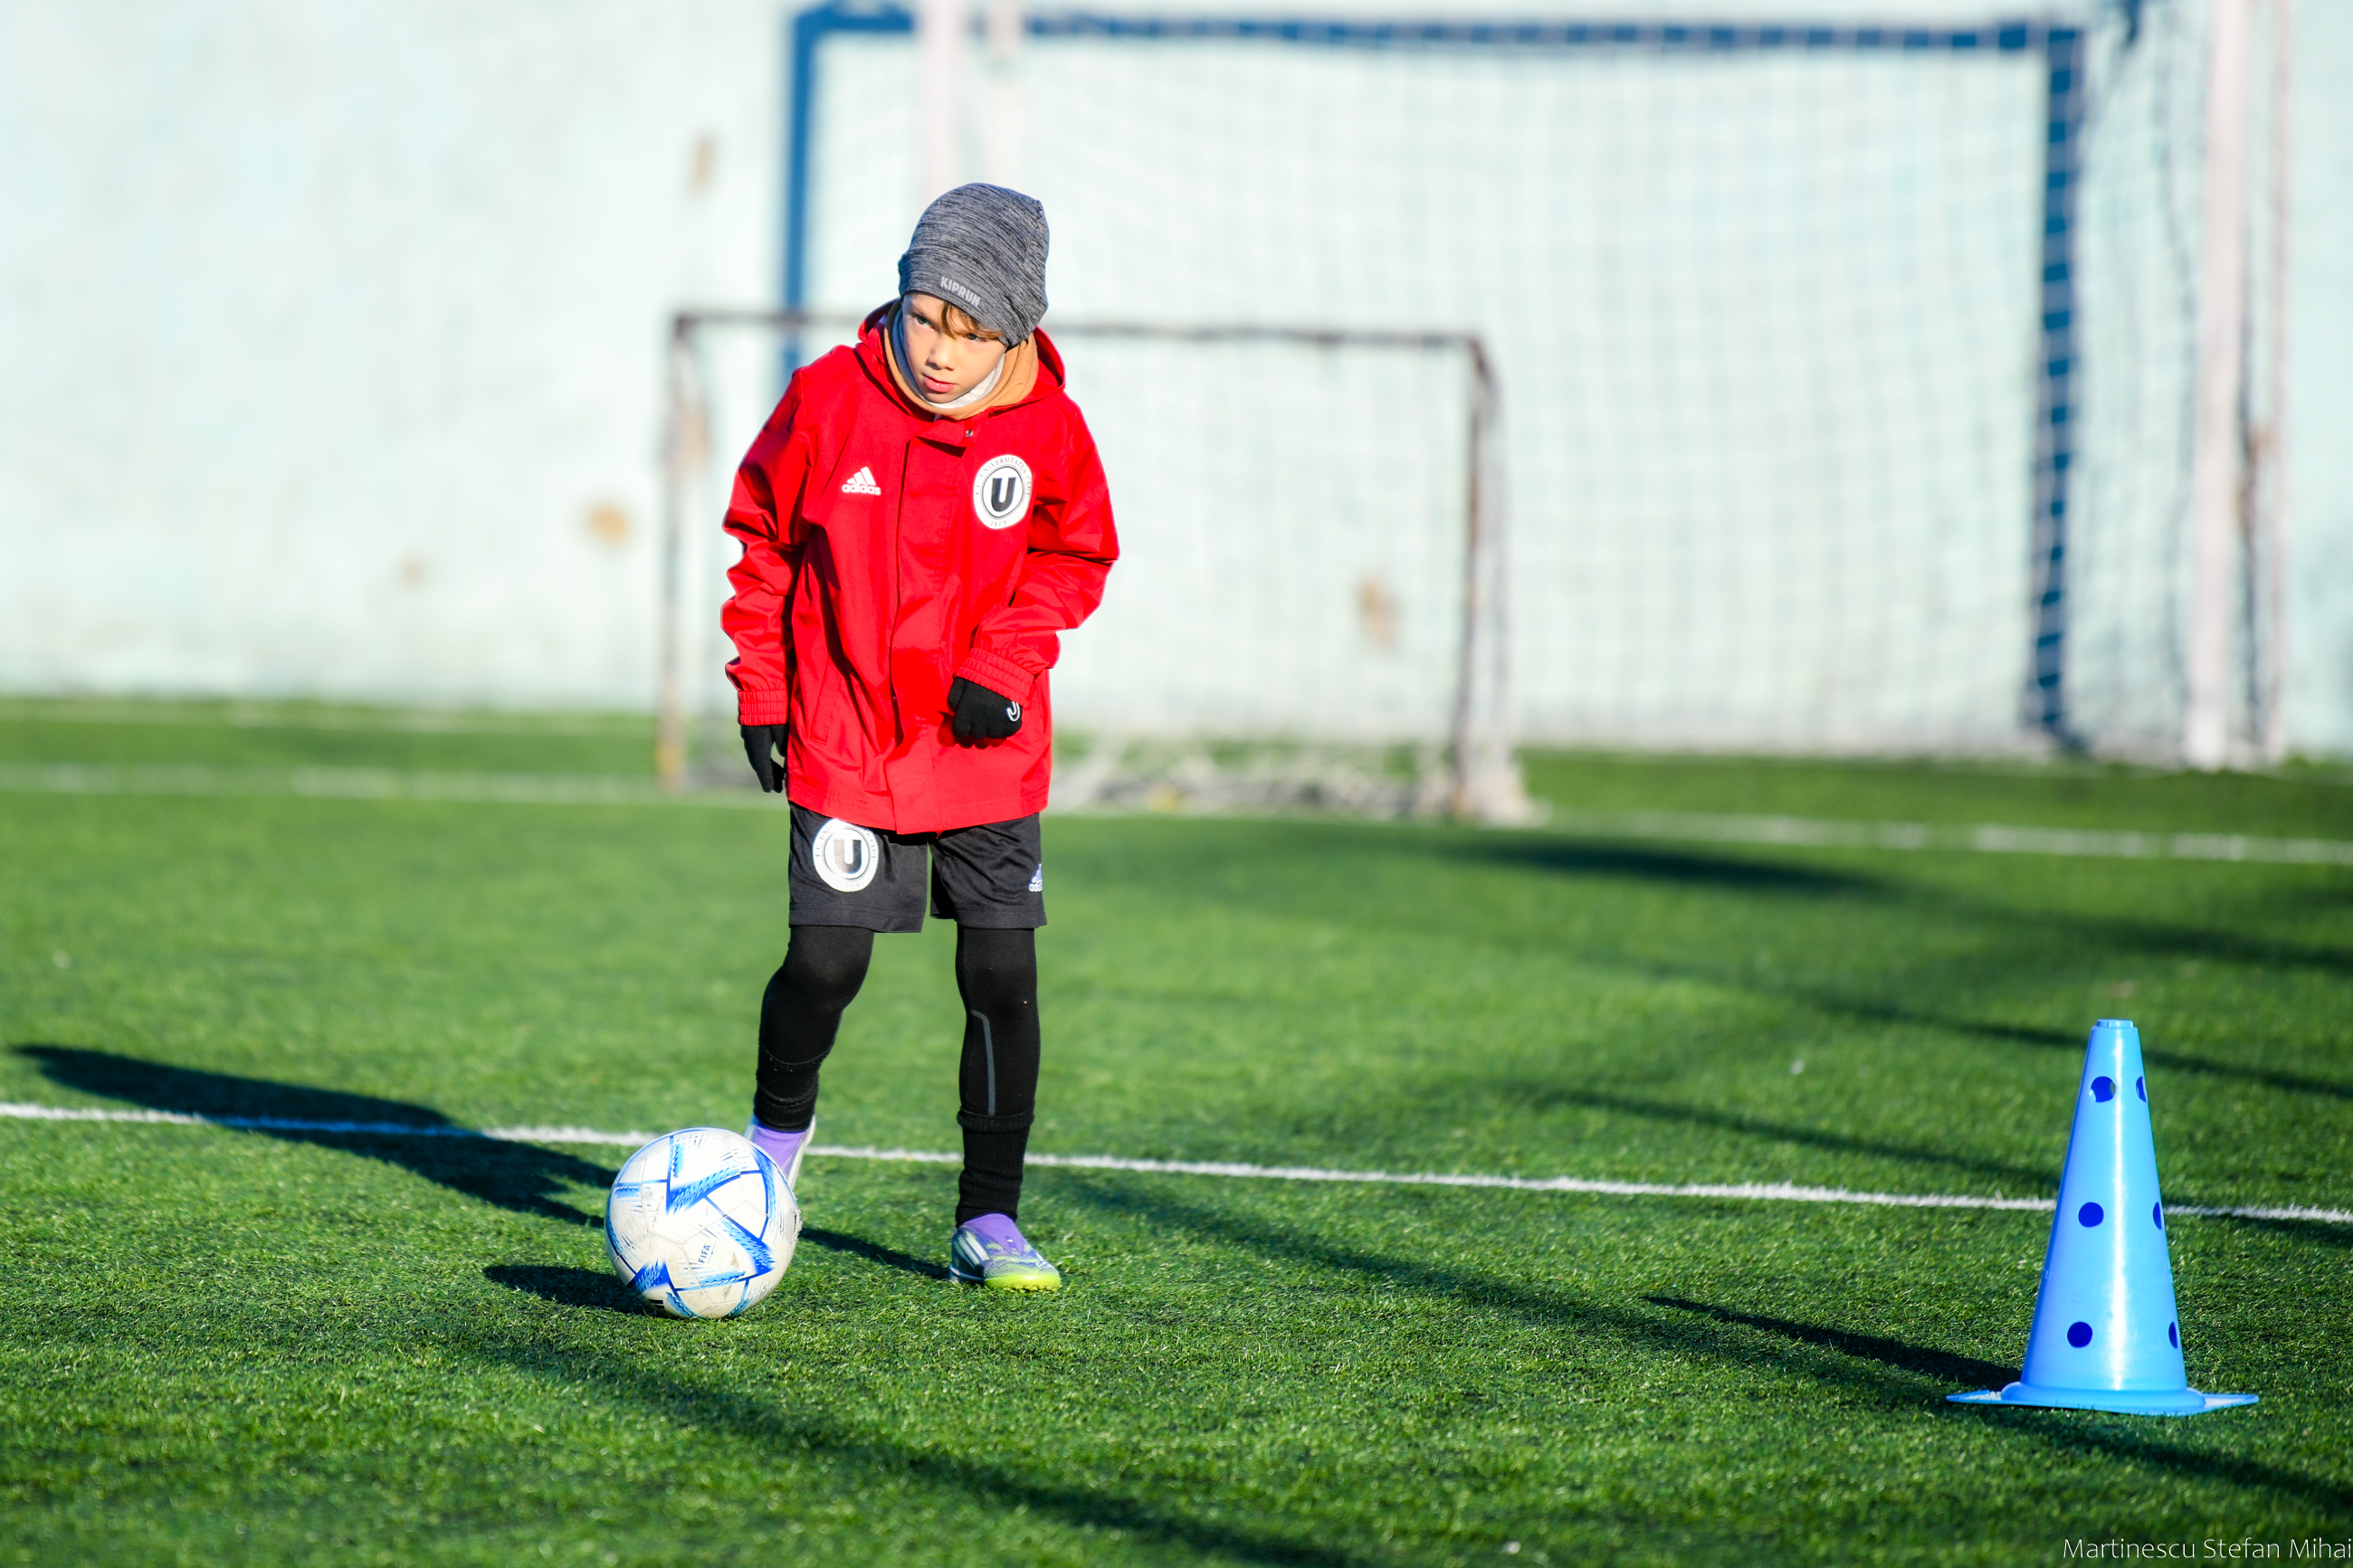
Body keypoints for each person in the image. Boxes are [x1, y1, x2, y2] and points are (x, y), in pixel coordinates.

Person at [719, 184, 1117, 1291]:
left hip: (984, 745)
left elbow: (1073, 556)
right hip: (846, 727)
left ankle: (987, 1219)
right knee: (825, 958)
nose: (939, 349)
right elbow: (761, 540)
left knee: (1000, 971)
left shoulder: (1049, 428)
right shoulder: (826, 400)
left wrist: (1002, 665)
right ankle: (764, 1170)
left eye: (971, 328)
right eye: (924, 314)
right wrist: (761, 690)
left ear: (1016, 331)